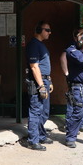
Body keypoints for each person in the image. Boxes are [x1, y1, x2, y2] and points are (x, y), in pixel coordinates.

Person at [25, 21, 54, 151]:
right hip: (38, 83)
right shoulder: (33, 45)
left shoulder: (40, 45)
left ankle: (41, 135)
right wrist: (41, 86)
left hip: (45, 81)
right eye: (47, 30)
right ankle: (33, 140)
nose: (49, 32)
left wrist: (49, 81)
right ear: (39, 30)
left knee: (44, 112)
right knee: (36, 111)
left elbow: (43, 66)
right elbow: (34, 66)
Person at [59, 27, 83, 133]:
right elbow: (63, 57)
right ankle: (69, 125)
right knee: (72, 101)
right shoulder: (71, 45)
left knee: (80, 102)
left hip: (81, 78)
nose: (82, 35)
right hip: (73, 78)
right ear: (75, 36)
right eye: (80, 34)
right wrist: (67, 73)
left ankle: (80, 124)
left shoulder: (82, 44)